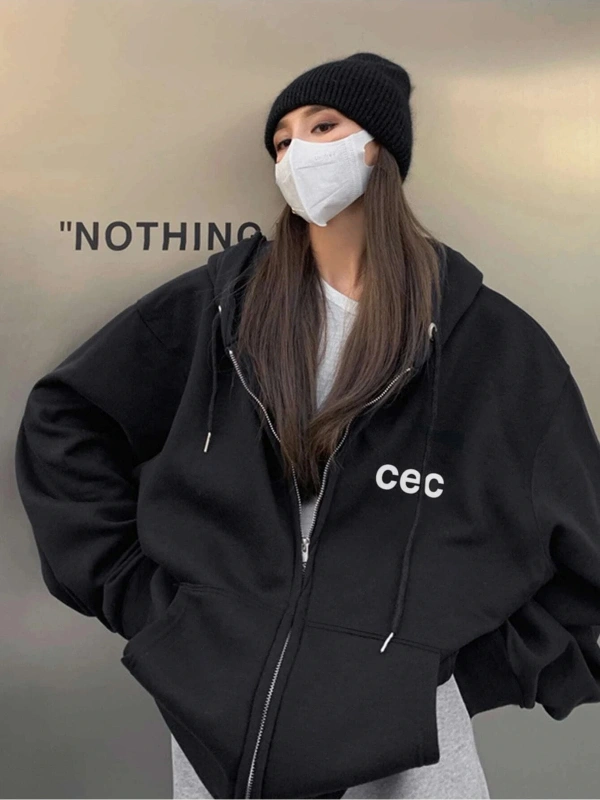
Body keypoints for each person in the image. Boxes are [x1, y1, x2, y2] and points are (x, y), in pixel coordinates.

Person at [14, 51, 600, 800]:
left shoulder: (491, 344)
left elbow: (583, 547)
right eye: (282, 140)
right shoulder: (224, 307)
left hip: (411, 730)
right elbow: (66, 420)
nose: (296, 154)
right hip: (228, 713)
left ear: (379, 149)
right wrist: (151, 604)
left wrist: (458, 673)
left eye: (323, 128)